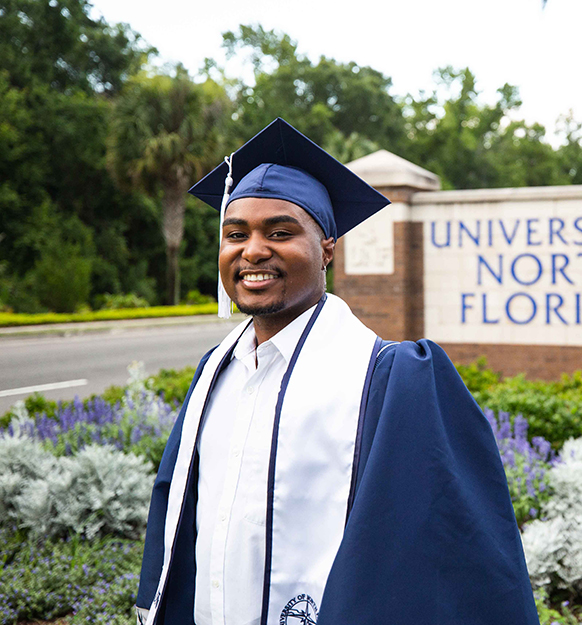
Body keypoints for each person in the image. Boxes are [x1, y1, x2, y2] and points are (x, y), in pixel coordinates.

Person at [135, 118, 540, 625]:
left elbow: (442, 559)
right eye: (235, 234)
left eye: (280, 232)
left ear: (328, 247)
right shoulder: (214, 375)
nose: (252, 250)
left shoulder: (391, 381)